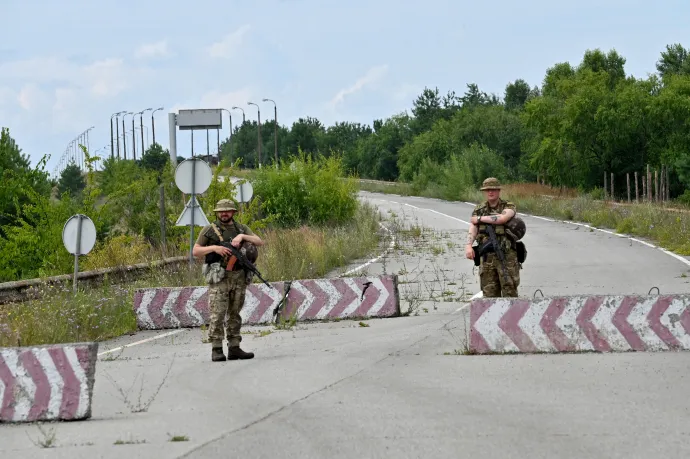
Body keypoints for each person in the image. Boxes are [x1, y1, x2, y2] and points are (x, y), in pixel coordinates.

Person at [192, 198, 264, 362]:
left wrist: (242, 236)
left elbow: (259, 241)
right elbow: (196, 251)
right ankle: (216, 348)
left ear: (233, 212)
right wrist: (215, 248)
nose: (224, 213)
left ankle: (234, 347)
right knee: (217, 313)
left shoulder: (241, 228)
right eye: (221, 211)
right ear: (217, 213)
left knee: (234, 313)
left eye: (228, 210)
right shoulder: (209, 230)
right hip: (219, 277)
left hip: (238, 276)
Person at [465, 177, 521, 297]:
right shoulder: (479, 209)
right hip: (487, 257)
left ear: (498, 191)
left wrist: (480, 219)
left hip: (506, 255)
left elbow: (502, 219)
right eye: (488, 190)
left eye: (493, 189)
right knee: (489, 293)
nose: (490, 192)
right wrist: (468, 245)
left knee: (509, 290)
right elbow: (473, 227)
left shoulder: (508, 206)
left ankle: (511, 316)